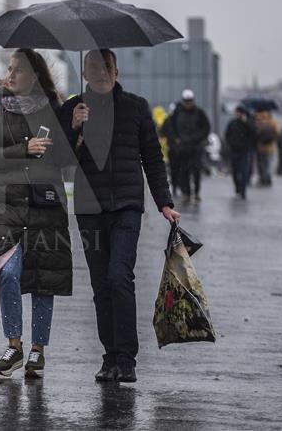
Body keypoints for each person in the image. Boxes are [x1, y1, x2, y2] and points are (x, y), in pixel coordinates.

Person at [59, 49, 179, 384]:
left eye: (107, 67)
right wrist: (73, 128)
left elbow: (152, 158)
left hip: (127, 204)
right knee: (100, 284)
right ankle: (109, 355)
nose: (102, 73)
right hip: (89, 207)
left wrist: (164, 202)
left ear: (117, 70)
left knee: (118, 276)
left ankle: (126, 358)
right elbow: (58, 160)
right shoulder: (73, 108)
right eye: (95, 68)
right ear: (85, 73)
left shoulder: (136, 107)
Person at [0, 49, 73, 380]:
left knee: (43, 277)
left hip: (45, 203)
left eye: (17, 69)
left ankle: (38, 351)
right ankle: (14, 345)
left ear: (34, 77)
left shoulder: (53, 112)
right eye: (9, 68)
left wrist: (72, 128)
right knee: (9, 272)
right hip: (6, 205)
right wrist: (24, 149)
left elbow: (66, 160)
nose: (10, 74)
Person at [163, 89, 211, 204]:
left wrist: (198, 138)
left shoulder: (200, 113)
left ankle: (197, 192)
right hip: (182, 148)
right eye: (186, 101)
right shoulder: (177, 113)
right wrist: (175, 140)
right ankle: (186, 193)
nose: (188, 103)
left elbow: (206, 128)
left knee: (196, 170)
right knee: (183, 171)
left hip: (196, 147)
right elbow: (170, 127)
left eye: (190, 101)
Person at [224, 105, 256, 199]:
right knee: (235, 171)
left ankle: (243, 191)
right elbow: (227, 135)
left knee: (244, 171)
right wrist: (230, 144)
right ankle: (237, 188)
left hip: (245, 151)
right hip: (234, 150)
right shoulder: (232, 123)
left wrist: (245, 122)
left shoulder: (249, 123)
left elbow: (254, 133)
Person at [254, 110, 279, 186]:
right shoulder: (272, 121)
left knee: (260, 163)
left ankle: (262, 178)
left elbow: (254, 132)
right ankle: (267, 179)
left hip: (260, 146)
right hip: (270, 147)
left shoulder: (258, 120)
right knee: (268, 163)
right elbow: (278, 132)